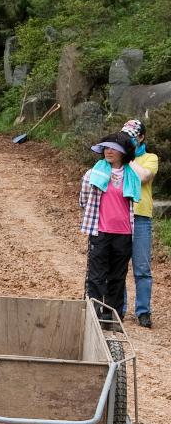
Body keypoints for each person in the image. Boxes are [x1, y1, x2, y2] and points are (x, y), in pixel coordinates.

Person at [80, 134, 141, 320]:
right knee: (97, 275)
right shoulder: (93, 174)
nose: (109, 151)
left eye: (113, 148)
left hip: (124, 233)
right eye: (106, 148)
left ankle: (112, 316)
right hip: (100, 231)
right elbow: (83, 200)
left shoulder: (132, 176)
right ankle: (95, 315)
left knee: (117, 277)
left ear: (124, 152)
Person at [120, 119, 157, 327]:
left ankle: (143, 311)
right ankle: (120, 309)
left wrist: (127, 158)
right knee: (119, 265)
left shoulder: (150, 158)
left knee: (142, 268)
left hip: (141, 218)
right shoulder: (116, 159)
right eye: (124, 137)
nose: (128, 140)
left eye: (131, 137)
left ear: (141, 137)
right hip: (120, 216)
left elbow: (143, 177)